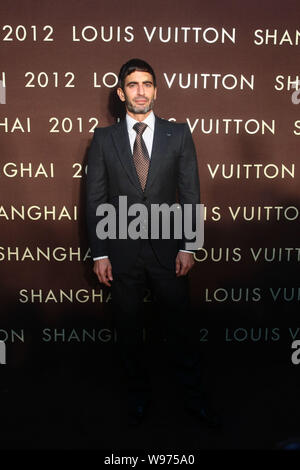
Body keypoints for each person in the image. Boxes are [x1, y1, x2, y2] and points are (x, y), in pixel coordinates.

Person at [86, 58, 219, 427]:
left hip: (168, 250)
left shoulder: (179, 134)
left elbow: (190, 193)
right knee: (129, 333)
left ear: (156, 90)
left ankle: (193, 399)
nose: (140, 91)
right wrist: (99, 252)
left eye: (147, 84)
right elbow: (95, 199)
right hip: (121, 252)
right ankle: (139, 400)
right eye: (133, 84)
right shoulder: (103, 139)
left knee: (180, 331)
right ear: (121, 92)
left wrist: (189, 245)